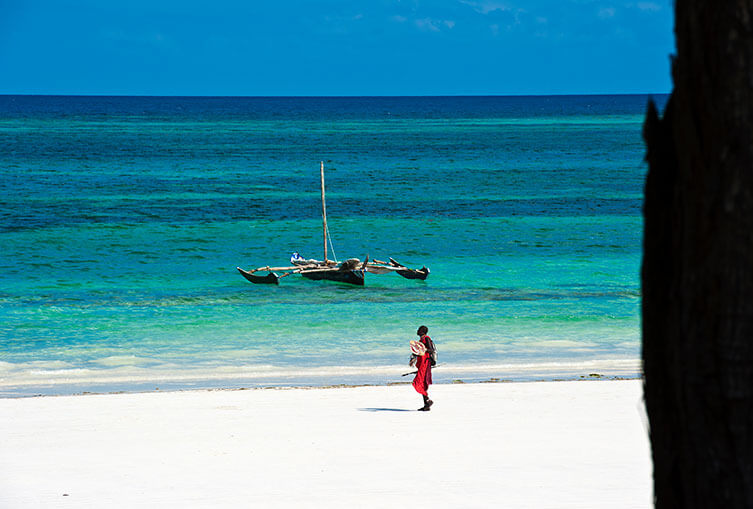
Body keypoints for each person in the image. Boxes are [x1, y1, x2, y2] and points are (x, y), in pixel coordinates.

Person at [411, 325, 435, 411]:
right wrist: (413, 357)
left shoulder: (426, 339)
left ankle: (428, 401)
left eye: (419, 330)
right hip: (421, 363)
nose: (417, 331)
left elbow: (431, 350)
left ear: (422, 331)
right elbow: (419, 352)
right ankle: (426, 405)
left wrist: (423, 349)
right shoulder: (421, 340)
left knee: (418, 382)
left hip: (425, 363)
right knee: (421, 383)